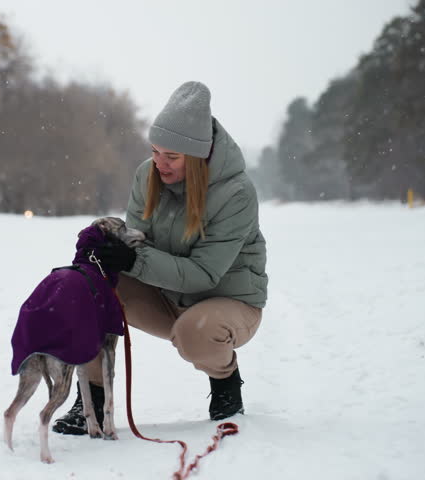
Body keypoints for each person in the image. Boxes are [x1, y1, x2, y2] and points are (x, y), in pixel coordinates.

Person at [53, 81, 268, 435]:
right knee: (90, 290)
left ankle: (225, 381)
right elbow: (138, 245)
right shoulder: (146, 175)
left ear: (198, 157)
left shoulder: (236, 194)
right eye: (155, 151)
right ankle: (90, 402)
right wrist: (108, 252)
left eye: (171, 157)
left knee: (195, 333)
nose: (159, 163)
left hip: (229, 303)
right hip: (167, 295)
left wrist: (134, 261)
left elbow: (203, 273)